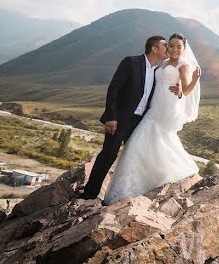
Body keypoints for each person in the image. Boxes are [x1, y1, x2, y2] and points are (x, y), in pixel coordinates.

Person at [103, 32, 202, 205]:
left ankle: (173, 173)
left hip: (167, 108)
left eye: (179, 46)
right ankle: (138, 186)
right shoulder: (164, 63)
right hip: (154, 107)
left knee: (159, 139)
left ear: (184, 48)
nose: (174, 49)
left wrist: (191, 82)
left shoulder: (183, 64)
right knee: (142, 143)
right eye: (171, 45)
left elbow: (185, 90)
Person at [80, 35, 181, 200]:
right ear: (154, 48)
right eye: (165, 45)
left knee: (134, 158)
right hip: (119, 119)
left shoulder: (158, 72)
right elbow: (114, 89)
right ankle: (89, 194)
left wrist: (179, 92)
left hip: (141, 122)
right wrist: (111, 117)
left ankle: (125, 195)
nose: (168, 49)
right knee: (109, 155)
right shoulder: (131, 62)